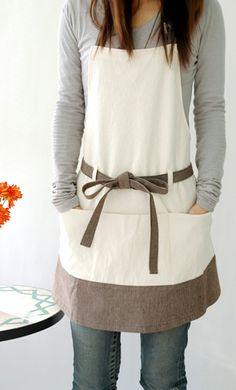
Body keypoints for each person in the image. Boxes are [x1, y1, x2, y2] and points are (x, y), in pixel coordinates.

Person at [51, 0, 226, 388]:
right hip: (93, 212)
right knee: (92, 379)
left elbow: (210, 107)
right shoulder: (80, 9)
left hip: (170, 213)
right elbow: (69, 104)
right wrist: (63, 196)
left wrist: (207, 198)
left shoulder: (201, 10)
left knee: (163, 379)